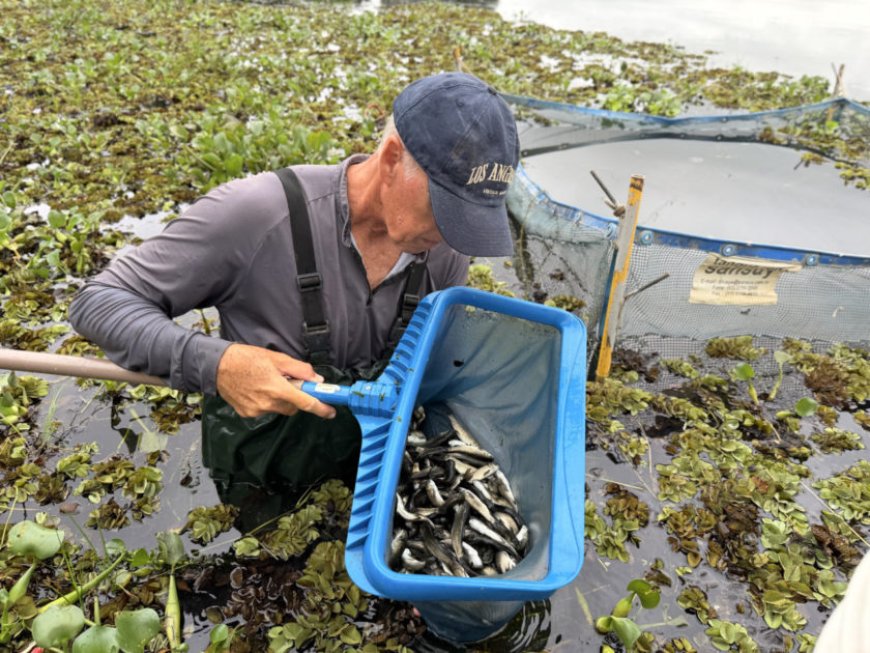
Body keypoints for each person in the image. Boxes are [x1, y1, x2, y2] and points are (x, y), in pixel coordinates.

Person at [69, 71, 520, 499]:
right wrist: (217, 363)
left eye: (468, 220)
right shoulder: (257, 213)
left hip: (369, 469)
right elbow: (100, 302)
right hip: (261, 475)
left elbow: (431, 361)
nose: (451, 236)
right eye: (444, 209)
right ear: (391, 158)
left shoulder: (446, 249)